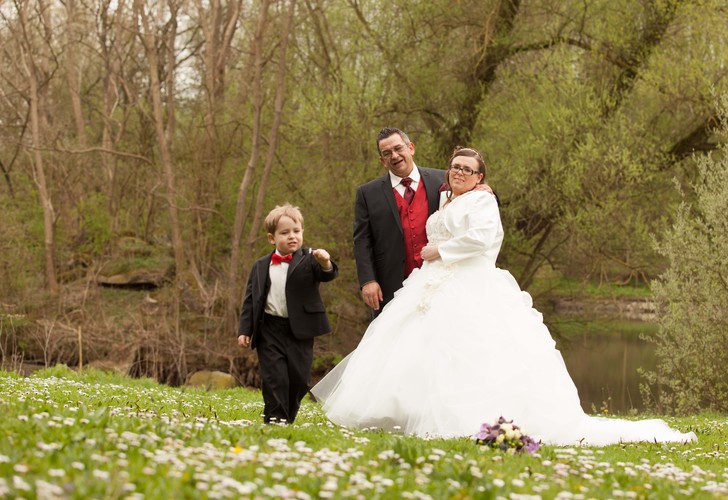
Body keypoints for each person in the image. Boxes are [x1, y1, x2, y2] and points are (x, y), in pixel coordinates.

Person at [311, 148, 696, 446]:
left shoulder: (482, 201)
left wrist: (440, 250)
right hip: (430, 283)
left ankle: (466, 417)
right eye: (455, 167)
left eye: (468, 169)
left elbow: (484, 239)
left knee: (470, 351)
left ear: (480, 177)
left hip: (469, 284)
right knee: (415, 346)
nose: (459, 172)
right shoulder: (445, 198)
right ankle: (400, 412)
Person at [354, 127, 494, 315]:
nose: (394, 156)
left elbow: (474, 201)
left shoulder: (444, 179)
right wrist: (368, 280)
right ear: (382, 160)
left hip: (439, 280)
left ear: (411, 148)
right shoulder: (367, 193)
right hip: (391, 281)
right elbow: (362, 240)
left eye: (398, 148)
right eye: (387, 153)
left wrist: (486, 189)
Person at [238, 203, 338, 424]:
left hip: (300, 331)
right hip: (269, 329)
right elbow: (250, 299)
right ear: (271, 238)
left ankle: (286, 418)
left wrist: (325, 262)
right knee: (275, 377)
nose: (292, 236)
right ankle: (275, 420)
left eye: (296, 231)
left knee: (299, 379)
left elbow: (327, 274)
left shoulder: (310, 259)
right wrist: (245, 330)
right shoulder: (260, 265)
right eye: (284, 233)